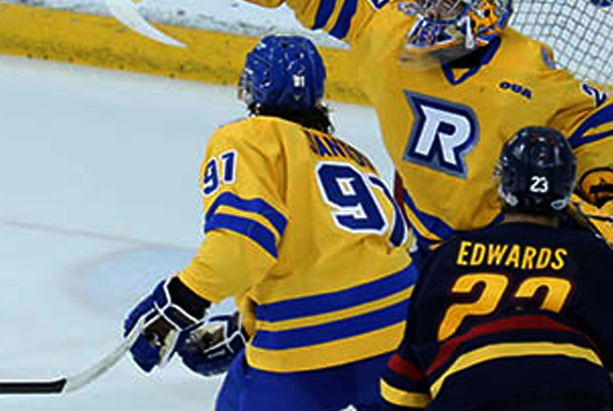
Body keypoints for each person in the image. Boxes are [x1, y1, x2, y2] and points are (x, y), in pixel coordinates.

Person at [190, 0, 613, 266]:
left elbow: (589, 117)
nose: (430, 12)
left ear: (485, 18)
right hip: (427, 238)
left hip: (505, 242)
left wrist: (607, 186)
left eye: (450, 4)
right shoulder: (395, 35)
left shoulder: (529, 69)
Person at [123, 35, 415, 411]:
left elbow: (242, 246)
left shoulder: (245, 138)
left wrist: (178, 303)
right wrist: (244, 328)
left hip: (305, 347)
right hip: (399, 333)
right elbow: (390, 246)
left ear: (253, 89)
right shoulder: (353, 156)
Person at [380, 126, 613, 410]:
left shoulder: (448, 256)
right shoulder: (590, 254)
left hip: (468, 395)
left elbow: (403, 387)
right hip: (570, 394)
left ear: (502, 183)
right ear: (567, 189)